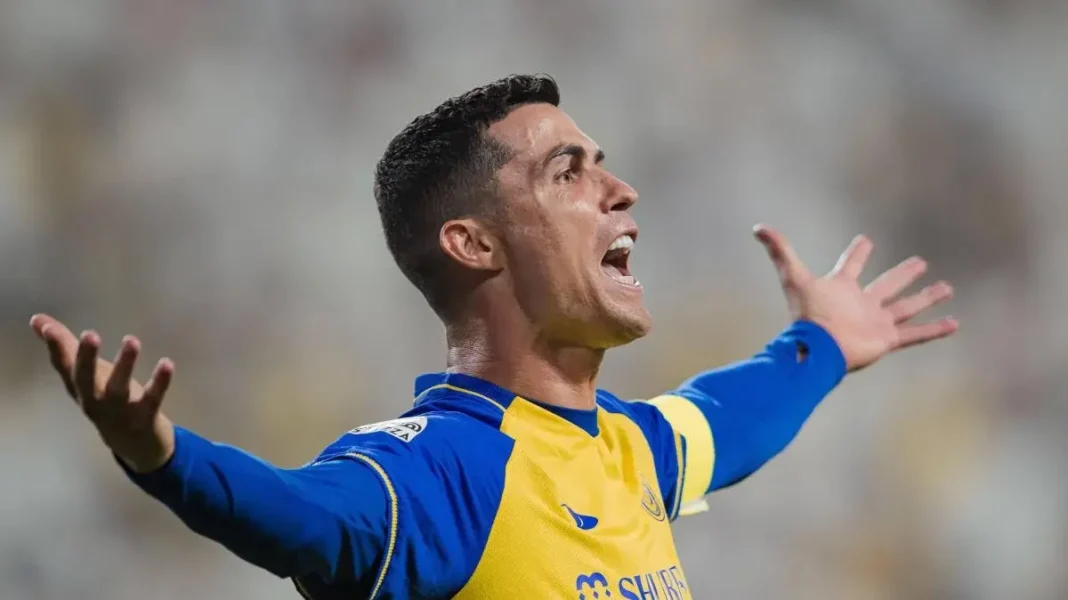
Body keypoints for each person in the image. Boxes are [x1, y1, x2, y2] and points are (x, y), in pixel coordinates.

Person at [28, 74, 957, 599]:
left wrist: (820, 344)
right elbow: (300, 516)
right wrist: (164, 458)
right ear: (473, 244)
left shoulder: (627, 449)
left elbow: (727, 416)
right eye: (568, 172)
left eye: (602, 165)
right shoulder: (444, 472)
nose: (620, 190)